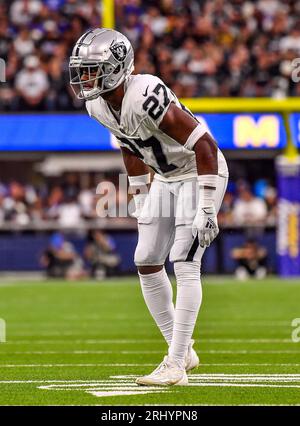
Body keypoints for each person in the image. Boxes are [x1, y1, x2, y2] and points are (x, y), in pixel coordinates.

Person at [69, 28, 229, 386]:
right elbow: (130, 146)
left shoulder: (145, 94)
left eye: (93, 69)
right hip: (166, 178)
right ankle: (183, 350)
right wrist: (140, 194)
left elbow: (204, 144)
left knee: (185, 261)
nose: (85, 77)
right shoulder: (96, 104)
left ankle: (175, 363)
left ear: (117, 67)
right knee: (145, 259)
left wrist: (206, 206)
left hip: (199, 170)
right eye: (83, 69)